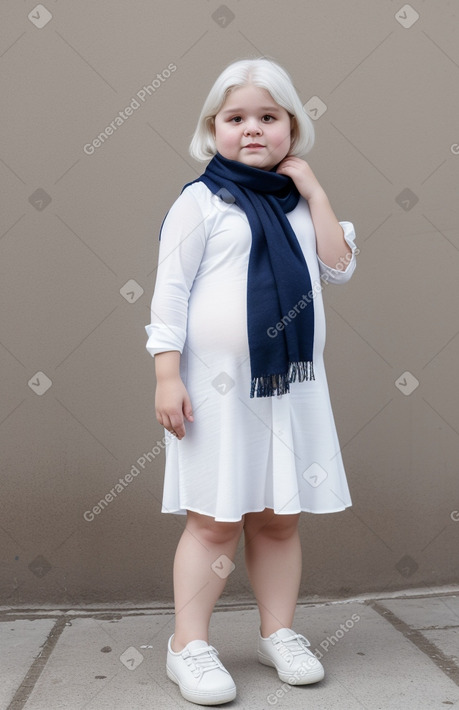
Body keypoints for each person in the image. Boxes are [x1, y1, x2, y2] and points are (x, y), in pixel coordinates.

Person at [145, 57, 357, 706]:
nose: (252, 130)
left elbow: (338, 267)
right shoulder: (201, 201)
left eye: (268, 117)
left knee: (278, 519)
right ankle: (189, 644)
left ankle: (279, 632)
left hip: (290, 391)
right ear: (213, 129)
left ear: (292, 126)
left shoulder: (297, 204)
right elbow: (171, 293)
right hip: (214, 394)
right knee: (212, 523)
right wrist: (166, 376)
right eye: (236, 118)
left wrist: (315, 194)